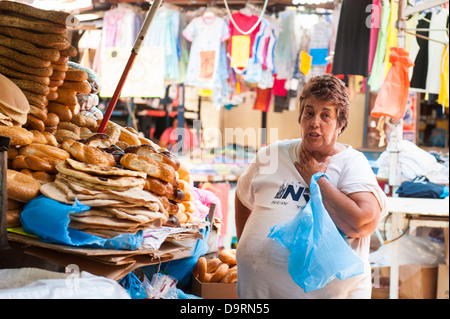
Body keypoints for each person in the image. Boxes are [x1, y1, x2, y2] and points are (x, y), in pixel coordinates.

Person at [235, 74, 387, 299]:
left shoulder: (352, 163)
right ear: (300, 117)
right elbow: (242, 197)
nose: (315, 122)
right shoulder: (271, 155)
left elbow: (363, 220)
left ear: (340, 124)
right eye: (309, 113)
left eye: (326, 115)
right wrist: (247, 249)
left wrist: (317, 180)